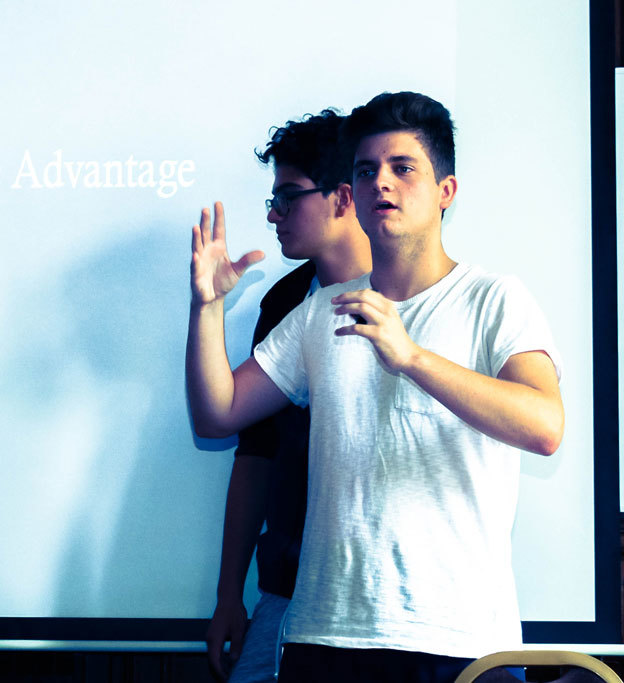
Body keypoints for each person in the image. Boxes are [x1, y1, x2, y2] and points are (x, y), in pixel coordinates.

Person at [187, 92, 564, 683]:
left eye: (402, 168)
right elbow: (219, 413)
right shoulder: (321, 310)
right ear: (353, 194)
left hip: (457, 640)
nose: (381, 183)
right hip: (323, 636)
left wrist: (412, 357)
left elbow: (544, 426)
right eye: (366, 171)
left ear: (446, 192)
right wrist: (207, 309)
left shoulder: (495, 299)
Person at [205, 109, 371, 683]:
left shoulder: (413, 293)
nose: (273, 213)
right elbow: (253, 451)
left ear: (343, 198)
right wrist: (230, 595)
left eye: (288, 197)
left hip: (385, 607)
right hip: (286, 590)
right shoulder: (286, 304)